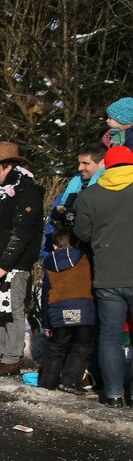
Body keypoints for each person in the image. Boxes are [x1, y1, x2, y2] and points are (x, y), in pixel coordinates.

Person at [0, 143, 43, 377]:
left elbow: (20, 233)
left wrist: (4, 265)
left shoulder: (26, 192)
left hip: (13, 265)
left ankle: (12, 357)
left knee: (11, 310)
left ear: (7, 166)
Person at [74, 145, 133, 407]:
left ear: (106, 165)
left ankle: (113, 394)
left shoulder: (91, 194)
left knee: (109, 337)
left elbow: (83, 234)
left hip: (107, 275)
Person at [38, 228, 96, 393]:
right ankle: (70, 382)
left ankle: (47, 383)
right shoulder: (85, 258)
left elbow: (45, 295)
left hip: (58, 309)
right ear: (76, 243)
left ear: (55, 247)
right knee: (83, 345)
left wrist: (46, 323)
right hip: (85, 307)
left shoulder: (49, 263)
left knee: (56, 347)